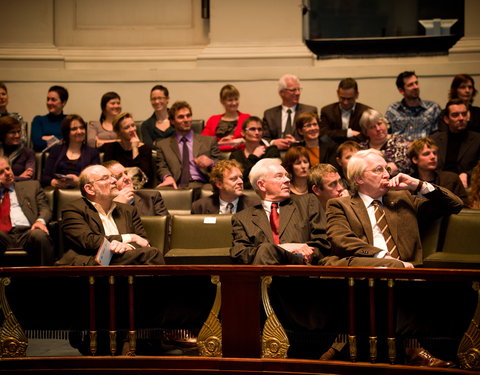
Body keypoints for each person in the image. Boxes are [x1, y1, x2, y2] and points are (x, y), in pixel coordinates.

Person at [326, 148, 463, 267]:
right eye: (378, 170)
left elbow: (455, 205)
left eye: (387, 169)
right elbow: (342, 240)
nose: (387, 175)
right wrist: (382, 257)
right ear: (359, 178)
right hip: (366, 272)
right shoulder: (340, 205)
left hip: (407, 273)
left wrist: (419, 185)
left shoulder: (403, 198)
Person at [56, 165, 165, 266]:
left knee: (149, 253)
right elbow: (89, 241)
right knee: (151, 254)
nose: (113, 181)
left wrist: (128, 246)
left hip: (123, 257)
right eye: (105, 178)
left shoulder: (128, 210)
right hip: (90, 261)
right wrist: (129, 237)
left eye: (112, 177)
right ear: (90, 189)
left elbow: (143, 241)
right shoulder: (73, 209)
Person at [230, 158, 331, 265]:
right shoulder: (242, 218)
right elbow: (239, 254)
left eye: (287, 176)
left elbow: (323, 243)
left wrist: (302, 253)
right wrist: (282, 248)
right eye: (279, 176)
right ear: (261, 185)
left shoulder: (307, 202)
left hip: (300, 269)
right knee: (266, 250)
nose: (287, 180)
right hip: (262, 269)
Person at [155, 101, 220, 192]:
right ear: (172, 121)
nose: (186, 120)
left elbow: (222, 166)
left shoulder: (209, 141)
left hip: (203, 185)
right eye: (181, 117)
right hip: (177, 185)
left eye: (188, 116)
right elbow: (162, 167)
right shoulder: (163, 145)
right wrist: (167, 177)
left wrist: (211, 162)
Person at [0, 156, 54, 266]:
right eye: (1, 172)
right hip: (3, 235)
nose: (7, 173)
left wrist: (40, 221)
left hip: (28, 232)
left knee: (39, 235)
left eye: (8, 168)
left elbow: (45, 209)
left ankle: (47, 279)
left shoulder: (32, 186)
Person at [431, 98, 480, 188]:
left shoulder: (477, 139)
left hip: (467, 186)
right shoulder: (435, 139)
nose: (461, 118)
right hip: (439, 185)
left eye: (464, 114)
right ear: (446, 119)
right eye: (455, 115)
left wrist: (468, 175)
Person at [42, 114, 100, 188]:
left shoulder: (93, 153)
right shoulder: (56, 150)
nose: (79, 132)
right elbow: (45, 177)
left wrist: (79, 181)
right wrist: (53, 182)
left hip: (82, 192)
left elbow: (96, 178)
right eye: (74, 129)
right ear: (66, 132)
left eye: (82, 128)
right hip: (58, 190)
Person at [263, 74, 317, 150]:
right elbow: (264, 138)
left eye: (299, 89)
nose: (298, 93)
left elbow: (315, 137)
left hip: (302, 153)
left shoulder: (309, 111)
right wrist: (273, 143)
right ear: (282, 93)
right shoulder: (269, 114)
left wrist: (297, 143)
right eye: (293, 90)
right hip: (276, 155)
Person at [385, 71, 441, 142]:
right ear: (401, 90)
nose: (415, 87)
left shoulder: (433, 108)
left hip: (425, 149)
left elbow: (438, 136)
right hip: (400, 150)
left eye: (416, 83)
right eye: (410, 85)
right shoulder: (393, 110)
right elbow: (385, 134)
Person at [408, 138, 467, 205]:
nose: (433, 157)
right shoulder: (408, 183)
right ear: (415, 159)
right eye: (426, 154)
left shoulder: (451, 179)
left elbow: (464, 207)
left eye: (435, 153)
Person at [102, 112, 154, 187]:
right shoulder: (111, 148)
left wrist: (135, 148)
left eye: (133, 125)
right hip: (117, 188)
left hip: (140, 189)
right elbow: (107, 174)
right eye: (127, 127)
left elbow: (141, 177)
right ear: (118, 132)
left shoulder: (145, 149)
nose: (132, 129)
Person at [229, 116, 280, 189]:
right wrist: (253, 157)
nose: (257, 132)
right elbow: (238, 178)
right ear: (243, 133)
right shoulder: (236, 155)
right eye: (252, 129)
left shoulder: (271, 151)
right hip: (242, 194)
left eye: (260, 129)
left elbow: (269, 177)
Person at [191, 160, 259, 214]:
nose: (241, 182)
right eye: (233, 178)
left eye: (241, 177)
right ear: (219, 184)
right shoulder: (200, 207)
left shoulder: (255, 206)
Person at [104, 160, 169, 217]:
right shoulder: (104, 207)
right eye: (119, 177)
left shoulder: (151, 198)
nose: (127, 178)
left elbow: (167, 228)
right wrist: (118, 206)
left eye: (126, 173)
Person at [358, 108, 411, 175]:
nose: (378, 129)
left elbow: (402, 166)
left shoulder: (398, 142)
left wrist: (372, 172)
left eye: (379, 124)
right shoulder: (362, 148)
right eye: (372, 127)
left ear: (386, 124)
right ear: (366, 132)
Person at [320, 78, 371, 144]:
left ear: (357, 95)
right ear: (337, 93)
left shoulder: (366, 112)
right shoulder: (327, 111)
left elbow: (368, 135)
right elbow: (323, 134)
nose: (345, 102)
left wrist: (337, 134)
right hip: (333, 149)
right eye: (342, 98)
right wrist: (348, 132)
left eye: (349, 99)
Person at [202, 84, 251, 152]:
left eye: (236, 99)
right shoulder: (212, 120)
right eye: (230, 100)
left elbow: (254, 140)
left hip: (240, 156)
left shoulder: (247, 118)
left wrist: (234, 142)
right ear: (222, 102)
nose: (234, 103)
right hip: (216, 157)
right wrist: (219, 144)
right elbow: (204, 142)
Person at [31, 85, 68, 152]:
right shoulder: (38, 120)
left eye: (53, 100)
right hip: (44, 160)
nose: (49, 102)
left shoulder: (69, 121)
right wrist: (59, 141)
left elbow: (71, 143)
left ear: (63, 102)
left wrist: (48, 138)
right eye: (48, 99)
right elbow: (37, 143)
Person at [0, 116, 35, 181]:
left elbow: (29, 177)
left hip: (20, 188)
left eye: (18, 132)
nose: (17, 135)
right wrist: (19, 177)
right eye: (13, 132)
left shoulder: (28, 152)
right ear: (3, 134)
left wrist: (7, 178)